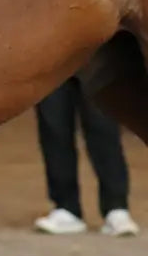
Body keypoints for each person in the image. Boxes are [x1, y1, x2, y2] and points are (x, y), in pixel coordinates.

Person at [33, 76, 139, 236]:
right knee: (53, 127)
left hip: (93, 59)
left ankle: (116, 209)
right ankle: (66, 208)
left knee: (103, 127)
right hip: (50, 62)